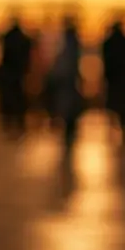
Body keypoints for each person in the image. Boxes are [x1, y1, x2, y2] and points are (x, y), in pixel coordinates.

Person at [52, 16, 84, 154]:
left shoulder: (66, 42)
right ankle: (68, 129)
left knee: (67, 106)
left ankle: (68, 129)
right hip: (68, 81)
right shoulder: (71, 42)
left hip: (67, 81)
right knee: (68, 106)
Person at [0, 16, 33, 135]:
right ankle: (19, 122)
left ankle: (8, 122)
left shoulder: (6, 37)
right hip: (19, 74)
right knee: (18, 99)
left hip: (9, 73)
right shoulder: (24, 39)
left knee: (9, 98)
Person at [102, 17, 125, 133]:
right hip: (121, 76)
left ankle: (116, 118)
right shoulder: (124, 42)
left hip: (114, 76)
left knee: (115, 99)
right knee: (120, 99)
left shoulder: (109, 42)